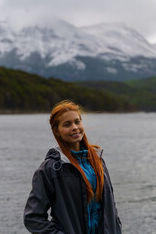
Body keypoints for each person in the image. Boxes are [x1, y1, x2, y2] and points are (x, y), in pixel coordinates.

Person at [23, 100, 122, 234]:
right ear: (57, 131)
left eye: (77, 121)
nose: (75, 127)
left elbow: (110, 205)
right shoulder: (51, 169)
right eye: (67, 124)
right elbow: (33, 218)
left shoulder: (98, 160)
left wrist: (116, 227)